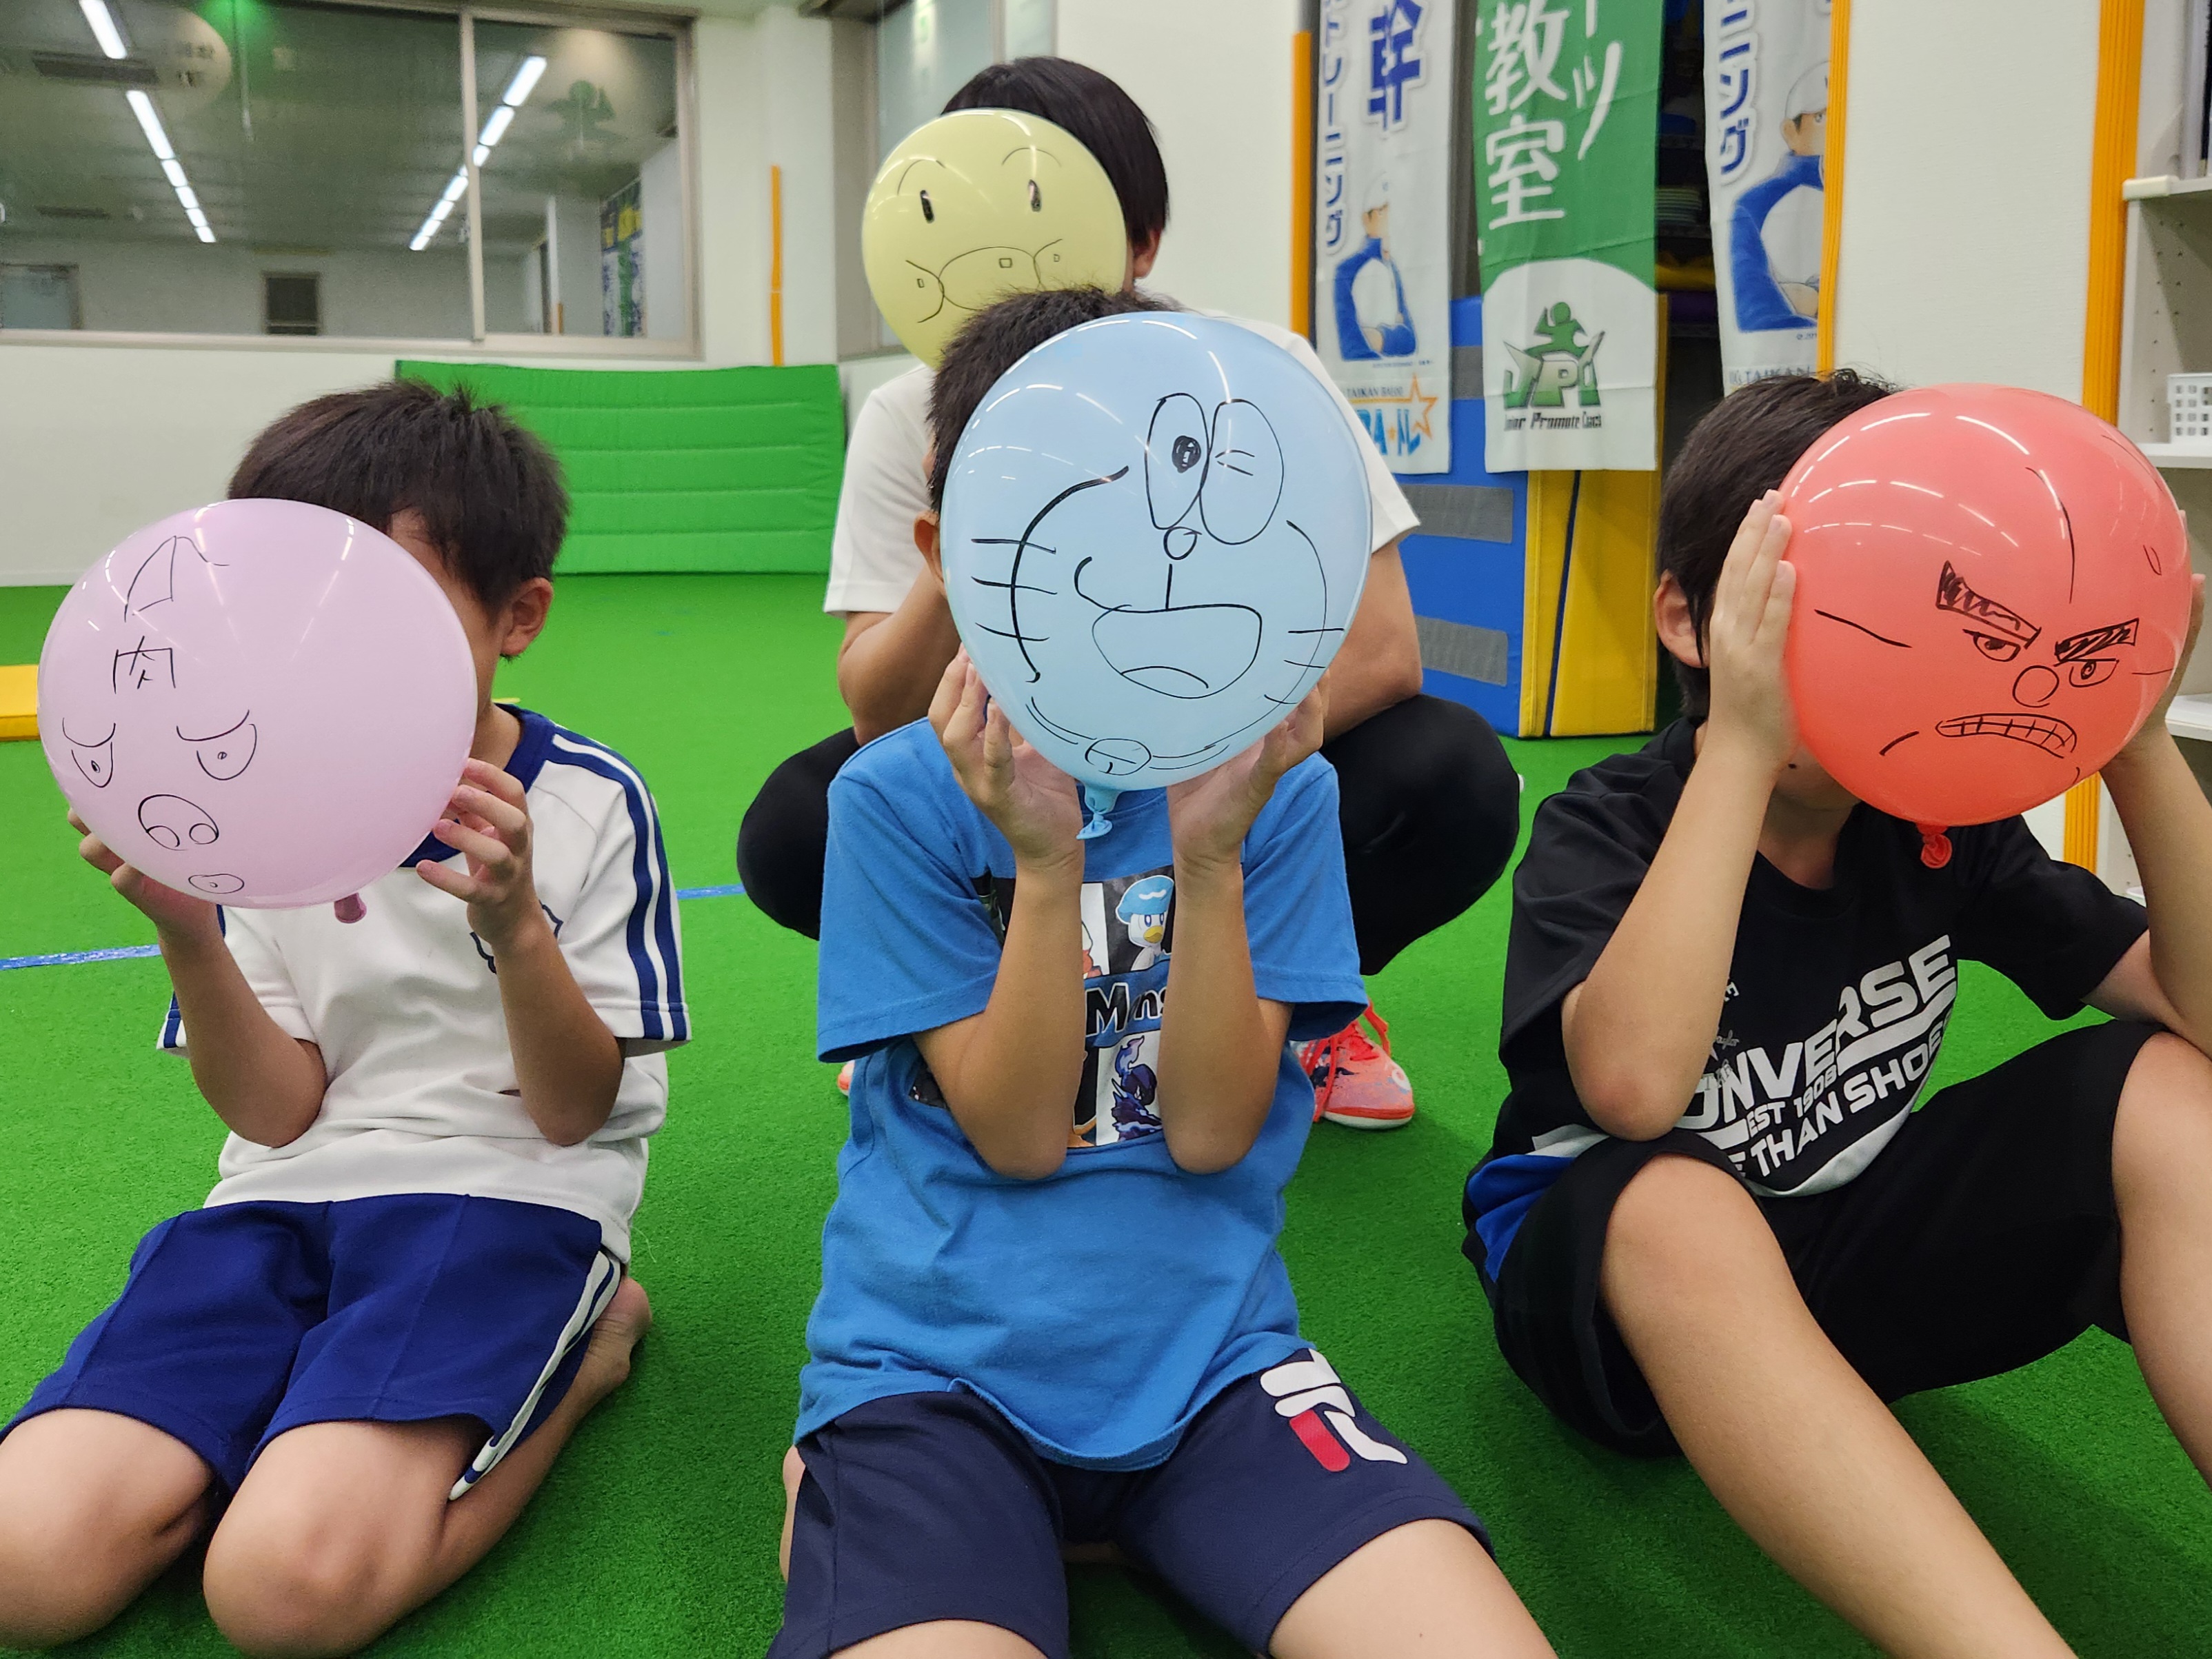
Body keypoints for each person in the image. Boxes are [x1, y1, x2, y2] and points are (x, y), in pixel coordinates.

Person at [770, 285, 1554, 1659]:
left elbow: (1206, 1133)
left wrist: (1210, 858)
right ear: (947, 545)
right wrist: (1046, 862)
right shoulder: (891, 799)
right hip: (930, 1384)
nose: (1151, 548)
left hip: (1218, 1375)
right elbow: (1019, 1137)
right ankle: (877, 1485)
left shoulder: (1278, 792)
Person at [1462, 371, 2212, 1657]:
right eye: (1838, 621)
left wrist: (2134, 737)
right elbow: (1633, 1092)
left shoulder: (1937, 820)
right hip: (1620, 1300)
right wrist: (1745, 746)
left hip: (1843, 1267)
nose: (1894, 669)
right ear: (1693, 622)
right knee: (1675, 1197)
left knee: (2166, 1087)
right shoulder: (1608, 822)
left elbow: (2196, 1006)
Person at [0, 383, 680, 1657]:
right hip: (273, 1204)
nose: (326, 646)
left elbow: (572, 1113)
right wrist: (187, 929)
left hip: (504, 1199)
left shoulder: (589, 802)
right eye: (293, 605)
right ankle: (268, 1442)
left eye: (387, 606)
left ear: (518, 615)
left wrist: (516, 922)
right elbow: (275, 1113)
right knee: (23, 1566)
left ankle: (587, 1353)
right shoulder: (240, 799)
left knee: (279, 1593)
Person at [738, 56, 1522, 1130]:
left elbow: (1385, 653)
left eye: (1037, 211)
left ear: (1141, 243)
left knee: (1456, 775)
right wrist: (970, 509)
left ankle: (1288, 1001)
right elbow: (878, 708)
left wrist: (1175, 753)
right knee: (799, 823)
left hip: (1219, 752)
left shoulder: (1258, 371)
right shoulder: (905, 412)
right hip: (1010, 757)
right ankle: (956, 1002)